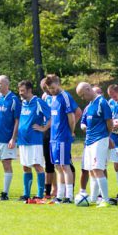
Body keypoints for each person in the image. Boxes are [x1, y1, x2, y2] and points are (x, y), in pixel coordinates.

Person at [76, 82, 116, 207]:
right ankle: (93, 198)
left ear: (88, 89)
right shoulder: (89, 106)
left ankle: (105, 199)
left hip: (99, 139)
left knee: (98, 169)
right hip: (89, 141)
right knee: (92, 170)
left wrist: (106, 136)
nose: (83, 98)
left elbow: (110, 122)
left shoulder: (102, 102)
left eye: (83, 95)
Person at [45, 74, 78, 203]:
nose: (52, 90)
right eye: (49, 89)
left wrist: (71, 132)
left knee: (65, 166)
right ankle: (59, 195)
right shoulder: (52, 98)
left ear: (58, 84)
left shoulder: (65, 96)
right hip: (53, 138)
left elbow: (72, 117)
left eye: (53, 88)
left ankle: (69, 196)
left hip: (63, 137)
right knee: (57, 166)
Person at [16, 80, 51, 201]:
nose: (20, 93)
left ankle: (40, 194)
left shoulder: (38, 102)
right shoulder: (23, 103)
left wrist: (44, 128)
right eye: (19, 91)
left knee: (37, 165)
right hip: (22, 140)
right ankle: (26, 194)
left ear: (29, 90)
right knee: (25, 166)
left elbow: (51, 116)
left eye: (23, 91)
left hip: (34, 141)